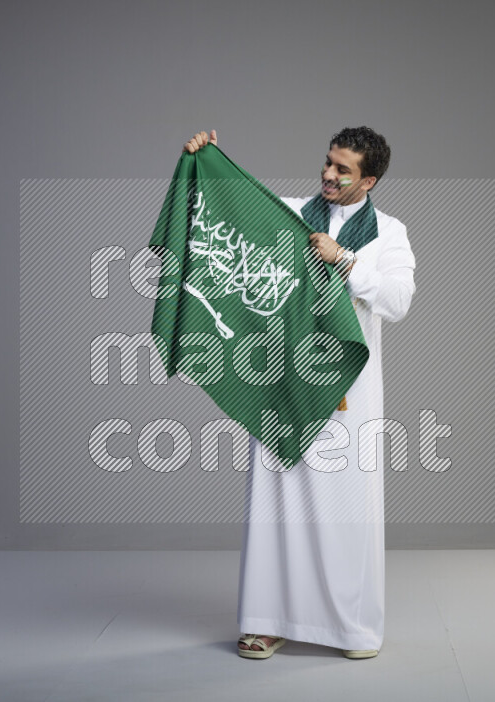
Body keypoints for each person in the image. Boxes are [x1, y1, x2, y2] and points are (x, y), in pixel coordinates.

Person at [182, 127, 417, 659]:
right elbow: (224, 212)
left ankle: (350, 627)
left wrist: (345, 261)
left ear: (370, 180)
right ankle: (268, 620)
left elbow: (398, 301)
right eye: (328, 164)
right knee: (275, 502)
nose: (329, 176)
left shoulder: (389, 233)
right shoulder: (290, 212)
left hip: (346, 390)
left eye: (344, 171)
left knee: (344, 506)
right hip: (280, 377)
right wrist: (203, 160)